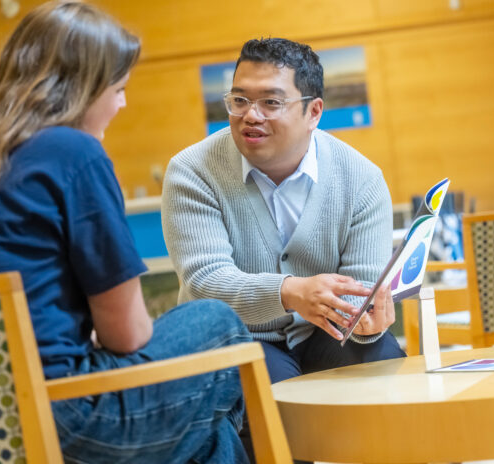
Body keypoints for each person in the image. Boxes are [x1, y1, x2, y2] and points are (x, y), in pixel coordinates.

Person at [0, 0, 250, 464]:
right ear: (80, 90)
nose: (123, 103)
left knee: (208, 434)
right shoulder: (73, 152)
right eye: (117, 89)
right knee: (219, 323)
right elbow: (127, 336)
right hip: (71, 419)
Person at [162, 37, 405, 386]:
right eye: (239, 100)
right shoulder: (193, 171)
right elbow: (205, 283)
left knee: (380, 360)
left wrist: (366, 325)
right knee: (268, 386)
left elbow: (360, 291)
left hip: (328, 335)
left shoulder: (361, 178)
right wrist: (289, 292)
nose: (250, 115)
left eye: (270, 102)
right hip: (240, 335)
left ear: (314, 112)